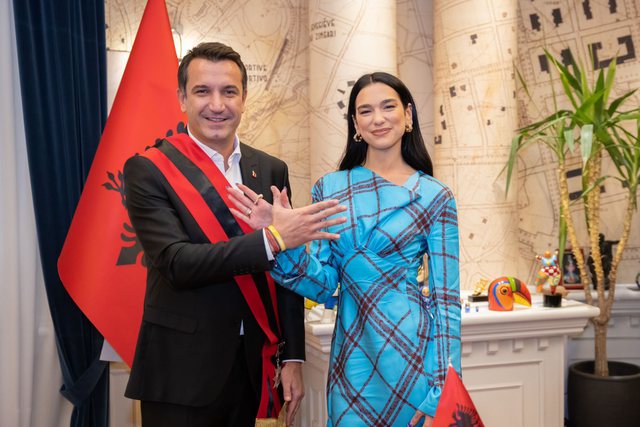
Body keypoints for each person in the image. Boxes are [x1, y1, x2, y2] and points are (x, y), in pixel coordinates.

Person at [123, 42, 346, 427]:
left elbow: (288, 272)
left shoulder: (271, 169)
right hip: (180, 371)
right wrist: (273, 238)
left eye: (228, 91)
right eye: (202, 91)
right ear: (182, 98)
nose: (217, 104)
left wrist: (293, 356)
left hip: (253, 365)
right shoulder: (149, 169)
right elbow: (177, 263)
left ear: (244, 98)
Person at [248, 72, 462, 426]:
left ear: (408, 115)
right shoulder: (330, 189)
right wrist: (282, 239)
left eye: (388, 107)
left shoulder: (435, 196)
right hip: (353, 359)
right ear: (355, 124)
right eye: (366, 111)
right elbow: (321, 284)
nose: (378, 118)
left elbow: (447, 302)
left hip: (414, 357)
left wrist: (441, 390)